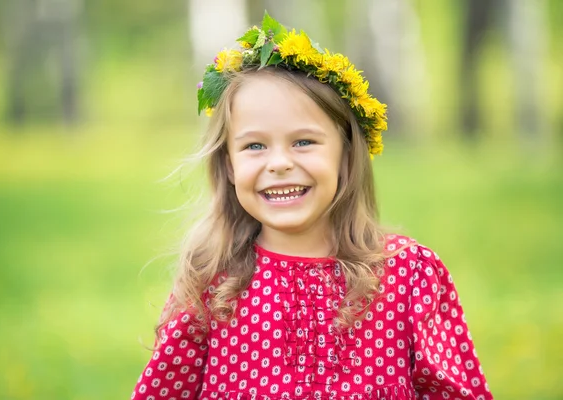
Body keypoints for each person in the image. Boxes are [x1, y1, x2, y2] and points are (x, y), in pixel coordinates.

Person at [131, 13, 492, 400]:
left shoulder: (407, 276)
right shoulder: (209, 283)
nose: (279, 163)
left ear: (347, 157)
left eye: (303, 141)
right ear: (229, 166)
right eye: (255, 146)